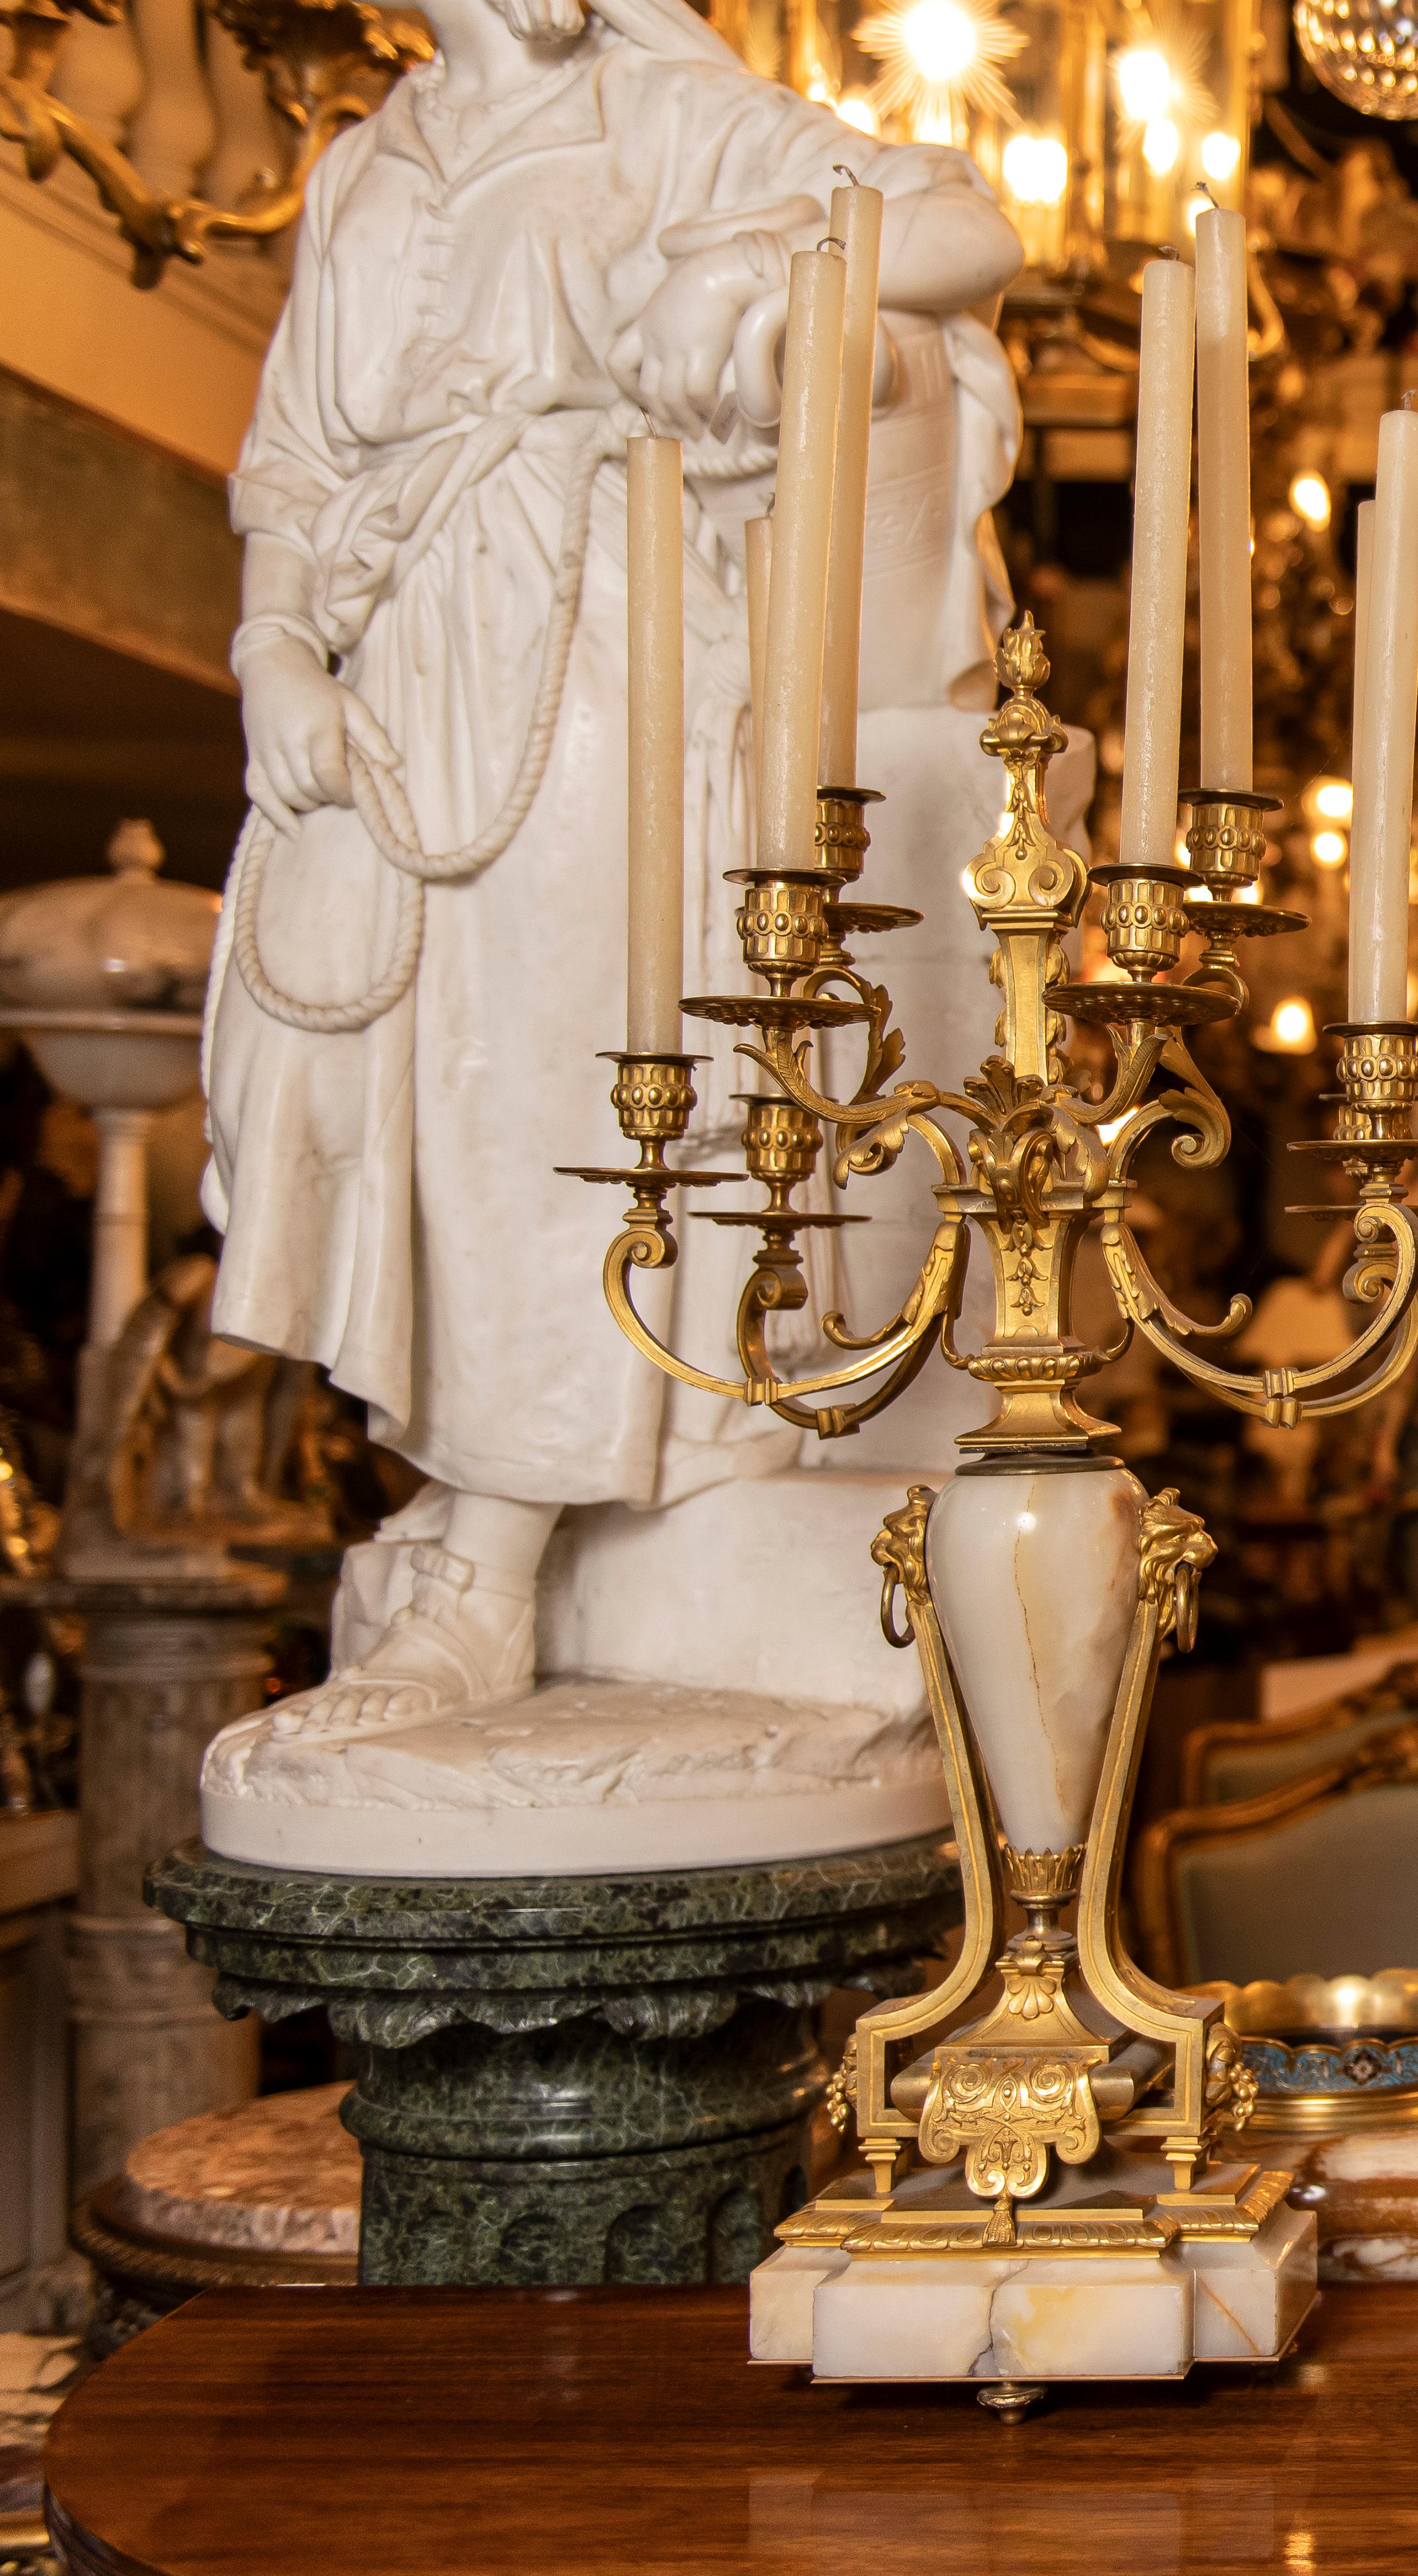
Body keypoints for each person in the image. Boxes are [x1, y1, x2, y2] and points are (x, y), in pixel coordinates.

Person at [205, 0, 1022, 1737]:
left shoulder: (661, 113)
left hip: (602, 645)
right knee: (389, 1091)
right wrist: (274, 650)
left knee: (550, 1092)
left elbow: (966, 222)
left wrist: (753, 254)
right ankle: (474, 1489)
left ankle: (492, 1568)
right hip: (397, 661)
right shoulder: (364, 163)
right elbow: (291, 461)